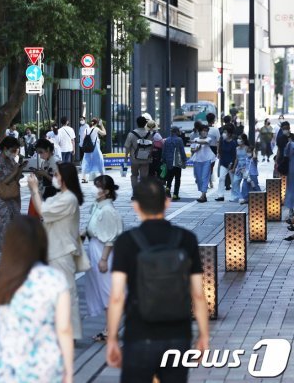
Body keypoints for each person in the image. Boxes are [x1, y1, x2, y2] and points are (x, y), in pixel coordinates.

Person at [106, 177, 209, 383]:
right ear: (167, 202)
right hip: (178, 333)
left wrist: (112, 338)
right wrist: (204, 335)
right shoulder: (186, 239)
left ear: (135, 206)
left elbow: (117, 296)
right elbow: (198, 294)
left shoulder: (126, 242)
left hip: (139, 334)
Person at [0, 216, 74, 383]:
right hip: (47, 364)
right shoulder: (55, 278)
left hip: (10, 364)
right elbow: (64, 328)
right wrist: (69, 369)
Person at [27, 163, 84, 341]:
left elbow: (43, 210)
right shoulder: (63, 196)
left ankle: (68, 332)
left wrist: (34, 189)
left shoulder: (68, 199)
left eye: (57, 175)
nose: (54, 178)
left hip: (62, 251)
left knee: (66, 293)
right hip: (55, 249)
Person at [82, 175, 123, 342]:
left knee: (107, 290)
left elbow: (110, 238)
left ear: (106, 192)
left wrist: (104, 259)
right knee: (103, 289)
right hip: (95, 248)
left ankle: (110, 330)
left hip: (102, 251)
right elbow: (92, 227)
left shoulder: (108, 211)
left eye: (97, 187)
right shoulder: (98, 206)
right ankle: (109, 328)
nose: (95, 190)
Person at [0, 136, 24, 252]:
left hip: (13, 194)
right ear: (5, 148)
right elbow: (0, 183)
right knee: (4, 220)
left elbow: (16, 178)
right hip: (3, 195)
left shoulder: (11, 161)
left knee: (15, 220)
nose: (14, 153)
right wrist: (15, 172)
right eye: (13, 150)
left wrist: (20, 169)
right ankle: (4, 248)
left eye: (16, 150)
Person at [124, 116, 153, 192]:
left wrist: (126, 158)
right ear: (145, 124)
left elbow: (127, 147)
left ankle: (135, 192)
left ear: (137, 123)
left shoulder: (131, 134)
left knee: (134, 175)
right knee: (144, 177)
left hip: (134, 159)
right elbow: (152, 146)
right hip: (146, 159)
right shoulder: (149, 134)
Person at [190, 125, 216, 203]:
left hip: (207, 160)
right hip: (197, 160)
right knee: (198, 178)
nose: (204, 132)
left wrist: (195, 142)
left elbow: (204, 142)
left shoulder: (208, 139)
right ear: (200, 131)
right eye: (203, 130)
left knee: (205, 177)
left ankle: (203, 194)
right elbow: (192, 150)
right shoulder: (196, 139)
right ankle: (203, 195)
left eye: (206, 131)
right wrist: (196, 149)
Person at [162, 127, 187, 200]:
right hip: (177, 162)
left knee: (169, 177)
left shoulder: (167, 140)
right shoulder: (179, 140)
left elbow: (164, 151)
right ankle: (175, 194)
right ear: (176, 132)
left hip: (168, 162)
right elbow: (182, 151)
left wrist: (163, 160)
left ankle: (167, 188)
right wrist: (184, 159)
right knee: (177, 178)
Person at [214, 126, 238, 202]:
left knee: (233, 181)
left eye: (225, 132)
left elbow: (235, 156)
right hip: (223, 163)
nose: (223, 134)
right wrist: (219, 155)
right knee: (221, 178)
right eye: (223, 132)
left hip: (231, 165)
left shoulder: (233, 143)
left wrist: (232, 164)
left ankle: (234, 196)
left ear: (230, 134)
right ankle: (220, 195)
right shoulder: (222, 141)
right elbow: (220, 151)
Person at [80, 118, 107, 183]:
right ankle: (102, 176)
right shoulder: (96, 129)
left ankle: (83, 178)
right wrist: (101, 125)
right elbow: (104, 133)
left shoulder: (86, 129)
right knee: (99, 160)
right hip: (95, 148)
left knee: (86, 161)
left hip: (88, 148)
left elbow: (84, 138)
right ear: (96, 123)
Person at [229, 134, 250, 203]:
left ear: (244, 140)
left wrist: (247, 168)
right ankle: (237, 196)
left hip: (245, 167)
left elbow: (249, 158)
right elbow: (236, 159)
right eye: (238, 138)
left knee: (245, 183)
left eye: (240, 138)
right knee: (235, 181)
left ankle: (245, 197)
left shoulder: (247, 148)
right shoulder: (237, 148)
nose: (238, 140)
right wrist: (234, 168)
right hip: (239, 167)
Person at [206, 113, 220, 189]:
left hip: (205, 148)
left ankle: (208, 181)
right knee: (211, 167)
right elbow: (218, 141)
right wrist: (218, 151)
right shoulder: (215, 130)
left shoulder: (204, 128)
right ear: (213, 120)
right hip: (213, 149)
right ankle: (210, 181)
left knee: (206, 166)